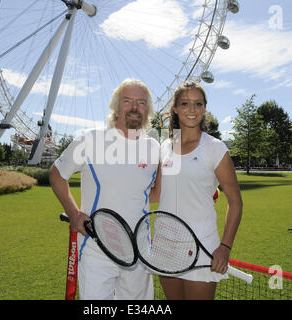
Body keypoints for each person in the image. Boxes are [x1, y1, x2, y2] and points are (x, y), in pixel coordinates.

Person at [49, 78, 160, 300]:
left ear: (148, 110)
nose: (134, 107)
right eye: (127, 100)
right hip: (96, 248)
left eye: (141, 102)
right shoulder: (90, 140)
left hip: (139, 251)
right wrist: (74, 213)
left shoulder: (154, 147)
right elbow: (57, 174)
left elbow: (152, 193)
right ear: (116, 107)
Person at [151, 81, 243, 300]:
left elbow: (235, 201)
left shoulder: (215, 148)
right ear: (175, 108)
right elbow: (156, 195)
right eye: (185, 103)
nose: (191, 109)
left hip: (202, 245)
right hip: (165, 244)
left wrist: (225, 247)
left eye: (198, 104)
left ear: (204, 109)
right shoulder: (166, 146)